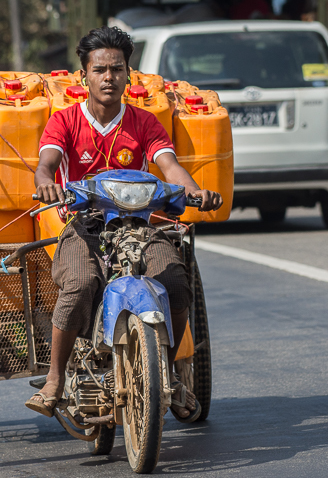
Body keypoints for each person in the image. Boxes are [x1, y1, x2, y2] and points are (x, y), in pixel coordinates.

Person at [26, 26, 223, 420]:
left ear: (128, 75)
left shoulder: (145, 123)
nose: (109, 77)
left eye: (117, 69)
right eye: (100, 69)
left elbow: (170, 167)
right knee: (80, 283)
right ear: (84, 77)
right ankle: (55, 379)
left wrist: (195, 192)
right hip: (84, 225)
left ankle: (167, 373)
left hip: (139, 225)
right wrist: (46, 184)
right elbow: (45, 165)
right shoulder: (64, 122)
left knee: (176, 285)